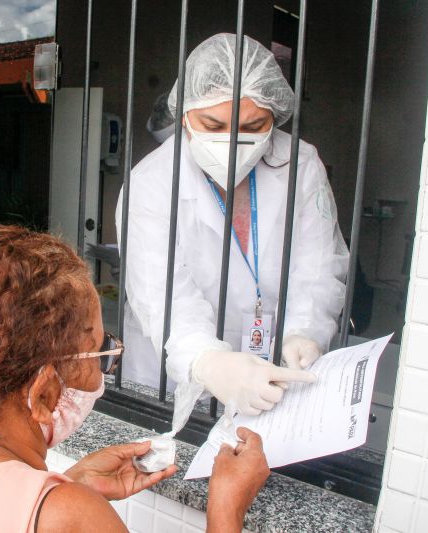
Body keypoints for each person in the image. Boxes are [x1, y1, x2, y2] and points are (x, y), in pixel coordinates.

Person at [0, 225, 270, 533]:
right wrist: (226, 509)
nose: (102, 370)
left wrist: (68, 487)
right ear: (44, 392)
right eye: (101, 352)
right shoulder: (65, 518)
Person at [115, 33, 349, 428]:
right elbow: (163, 295)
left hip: (272, 369)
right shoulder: (151, 184)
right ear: (184, 114)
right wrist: (209, 362)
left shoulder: (300, 164)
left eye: (255, 125)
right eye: (212, 124)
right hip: (167, 379)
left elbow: (318, 265)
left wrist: (303, 332)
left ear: (275, 115)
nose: (232, 141)